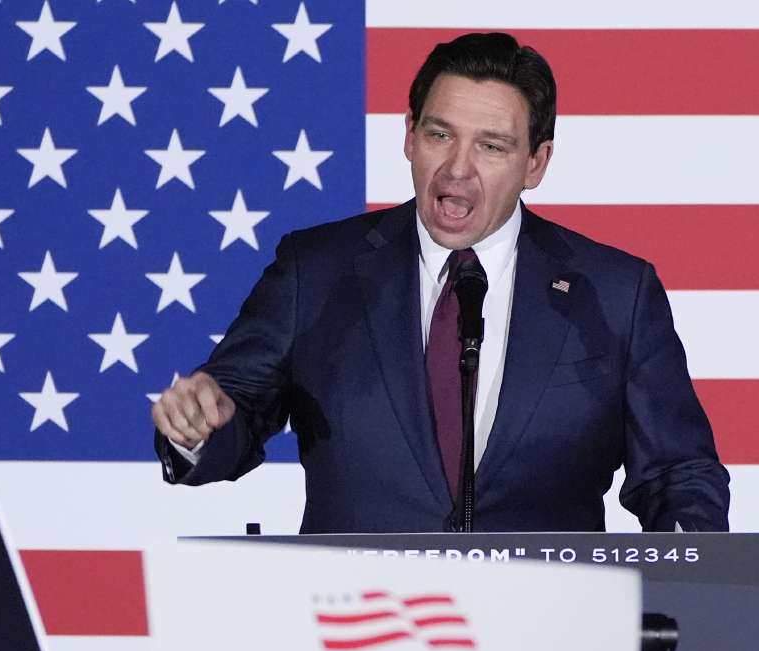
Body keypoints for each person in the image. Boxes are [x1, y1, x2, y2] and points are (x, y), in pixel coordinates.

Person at [151, 32, 730, 533]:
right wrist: (196, 428)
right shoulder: (317, 269)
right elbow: (234, 411)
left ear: (536, 163)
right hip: (357, 635)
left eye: (492, 146)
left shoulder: (615, 293)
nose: (457, 168)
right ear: (409, 136)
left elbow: (678, 474)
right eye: (440, 135)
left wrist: (693, 576)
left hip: (545, 640)